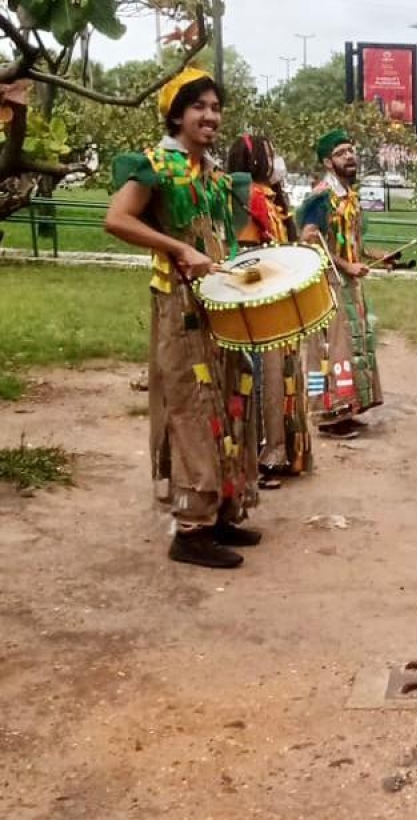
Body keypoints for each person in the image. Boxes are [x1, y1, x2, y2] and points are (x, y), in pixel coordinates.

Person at [105, 67, 260, 569]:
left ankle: (221, 512)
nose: (210, 116)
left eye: (215, 108)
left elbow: (225, 234)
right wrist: (177, 249)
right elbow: (116, 219)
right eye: (199, 107)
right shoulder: (154, 165)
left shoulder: (213, 173)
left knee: (229, 396)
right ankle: (190, 529)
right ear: (176, 114)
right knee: (193, 402)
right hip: (180, 305)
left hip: (221, 303)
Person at [225, 133, 312, 486]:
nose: (278, 163)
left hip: (273, 303)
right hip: (259, 306)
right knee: (262, 380)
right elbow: (245, 259)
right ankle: (263, 456)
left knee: (275, 379)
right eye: (272, 155)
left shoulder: (269, 199)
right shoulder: (250, 198)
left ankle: (275, 452)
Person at [297, 129, 383, 437]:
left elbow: (352, 242)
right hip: (328, 283)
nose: (350, 156)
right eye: (341, 152)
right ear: (327, 162)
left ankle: (348, 408)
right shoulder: (322, 197)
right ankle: (327, 414)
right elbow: (311, 239)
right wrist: (347, 265)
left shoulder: (349, 197)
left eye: (351, 150)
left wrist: (378, 256)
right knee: (330, 349)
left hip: (347, 283)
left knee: (353, 346)